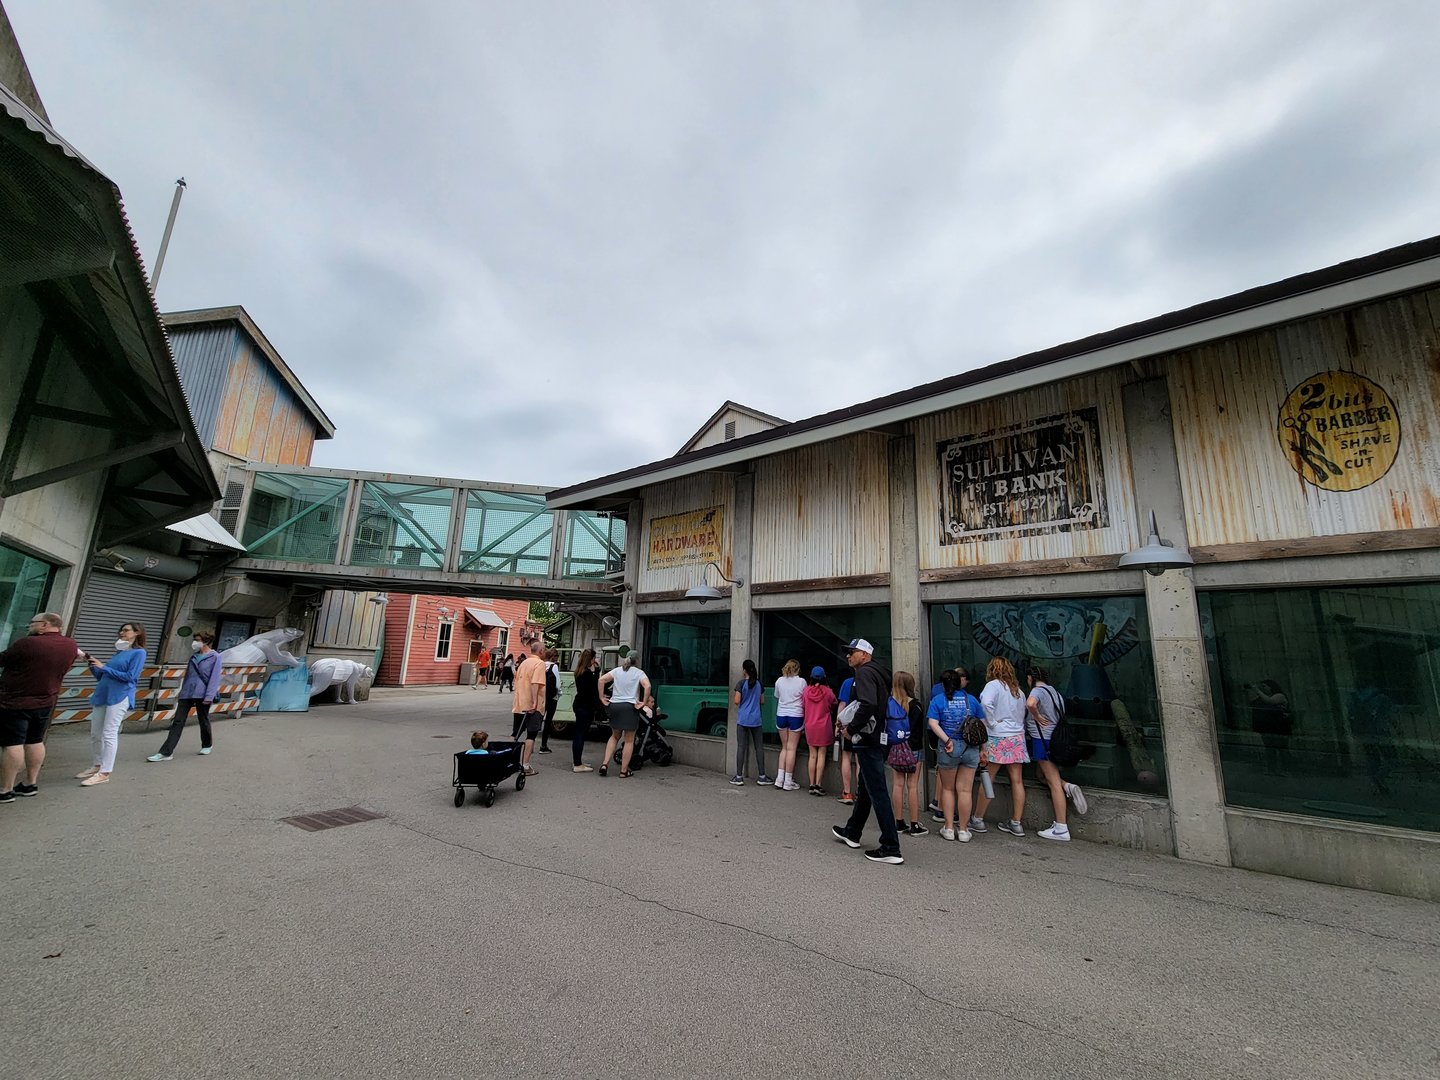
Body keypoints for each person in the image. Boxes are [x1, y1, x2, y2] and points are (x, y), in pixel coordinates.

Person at [830, 638, 903, 865]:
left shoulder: (863, 674)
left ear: (865, 654)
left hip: (868, 739)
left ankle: (890, 846)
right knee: (867, 785)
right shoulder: (881, 674)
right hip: (879, 737)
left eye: (852, 652)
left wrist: (851, 728)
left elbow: (868, 704)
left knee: (877, 790)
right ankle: (852, 831)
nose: (848, 656)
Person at [0, 612, 83, 803]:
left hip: (15, 701)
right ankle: (30, 783)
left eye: (33, 623)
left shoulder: (27, 643)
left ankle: (6, 789)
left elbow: (3, 659)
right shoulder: (70, 645)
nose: (30, 625)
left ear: (44, 625)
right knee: (35, 740)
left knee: (13, 744)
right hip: (46, 702)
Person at [77, 622, 147, 787]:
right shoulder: (120, 652)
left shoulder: (139, 653)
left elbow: (130, 676)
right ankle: (97, 765)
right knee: (96, 733)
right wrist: (93, 665)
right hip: (103, 694)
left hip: (119, 695)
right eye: (121, 630)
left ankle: (105, 772)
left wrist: (104, 667)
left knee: (109, 733)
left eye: (126, 630)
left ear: (137, 633)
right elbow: (103, 677)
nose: (121, 633)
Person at [1025, 664, 1088, 842]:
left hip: (1042, 739)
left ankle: (1061, 827)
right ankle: (1067, 786)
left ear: (1031, 678)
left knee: (1052, 781)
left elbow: (1030, 704)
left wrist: (1036, 716)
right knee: (1041, 775)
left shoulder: (1037, 691)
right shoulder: (1055, 692)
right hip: (1054, 738)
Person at [972, 656, 1028, 836]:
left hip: (997, 736)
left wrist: (993, 723)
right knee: (1017, 780)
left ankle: (978, 819)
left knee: (989, 777)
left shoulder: (993, 685)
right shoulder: (1018, 691)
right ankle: (1016, 822)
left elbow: (985, 703)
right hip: (1016, 736)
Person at [927, 668, 984, 841]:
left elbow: (933, 723)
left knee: (948, 789)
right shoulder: (971, 700)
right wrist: (984, 749)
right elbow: (982, 725)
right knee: (966, 790)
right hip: (970, 748)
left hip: (949, 749)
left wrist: (947, 740)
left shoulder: (938, 700)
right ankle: (965, 830)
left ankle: (949, 828)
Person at [148, 631, 223, 761]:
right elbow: (188, 675)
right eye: (194, 639)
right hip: (187, 692)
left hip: (202, 693)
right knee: (178, 721)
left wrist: (209, 696)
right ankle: (166, 752)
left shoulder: (215, 657)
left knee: (203, 719)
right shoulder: (194, 657)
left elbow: (214, 678)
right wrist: (182, 692)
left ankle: (207, 744)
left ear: (206, 641)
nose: (194, 642)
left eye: (197, 640)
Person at [886, 671, 927, 836]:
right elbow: (918, 731)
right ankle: (915, 824)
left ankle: (899, 821)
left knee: (898, 784)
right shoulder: (915, 705)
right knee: (912, 786)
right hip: (913, 749)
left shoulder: (889, 704)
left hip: (895, 747)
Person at [598, 652, 650, 778]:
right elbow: (647, 686)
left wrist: (601, 697)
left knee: (614, 736)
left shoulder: (617, 671)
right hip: (629, 707)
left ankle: (605, 764)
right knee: (629, 740)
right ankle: (624, 770)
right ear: (636, 660)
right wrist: (643, 702)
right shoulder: (639, 673)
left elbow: (601, 680)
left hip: (615, 706)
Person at [510, 641, 546, 775]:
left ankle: (508, 759)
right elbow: (536, 683)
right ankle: (525, 765)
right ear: (540, 651)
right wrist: (535, 702)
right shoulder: (539, 664)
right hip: (532, 705)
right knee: (531, 735)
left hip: (519, 702)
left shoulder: (523, 663)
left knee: (515, 733)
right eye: (544, 649)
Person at [729, 660, 768, 785]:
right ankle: (762, 776)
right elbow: (762, 701)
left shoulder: (741, 684)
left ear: (744, 670)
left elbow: (736, 701)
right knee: (759, 747)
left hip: (743, 719)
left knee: (741, 747)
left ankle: (739, 777)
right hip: (756, 719)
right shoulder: (759, 684)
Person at [1246, 679, 1293, 776]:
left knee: (1282, 748)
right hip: (1268, 727)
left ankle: (1286, 769)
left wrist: (1256, 689)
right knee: (1269, 749)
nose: (1263, 688)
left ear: (1271, 687)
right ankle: (1272, 769)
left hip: (1280, 727)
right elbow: (1252, 703)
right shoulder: (1262, 697)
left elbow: (1269, 701)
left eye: (1264, 686)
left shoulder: (1279, 696)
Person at [801, 666, 837, 795]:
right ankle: (818, 784)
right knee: (821, 755)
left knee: (812, 755)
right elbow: (834, 702)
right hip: (823, 726)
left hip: (810, 725)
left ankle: (811, 784)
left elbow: (803, 706)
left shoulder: (806, 691)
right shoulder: (828, 691)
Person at [772, 659, 806, 792]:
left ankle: (779, 779)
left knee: (784, 748)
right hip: (795, 715)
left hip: (781, 714)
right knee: (792, 749)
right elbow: (804, 697)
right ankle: (788, 780)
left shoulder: (779, 681)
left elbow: (777, 696)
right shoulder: (801, 681)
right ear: (798, 669)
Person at [570, 649, 601, 773]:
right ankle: (578, 764)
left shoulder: (579, 672)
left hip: (579, 704)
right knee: (580, 734)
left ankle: (577, 760)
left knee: (579, 733)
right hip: (585, 706)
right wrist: (597, 671)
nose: (595, 660)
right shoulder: (587, 674)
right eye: (594, 658)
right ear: (591, 659)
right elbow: (594, 688)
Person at [836, 675, 857, 803]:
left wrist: (837, 724)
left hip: (848, 724)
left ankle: (847, 793)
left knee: (846, 757)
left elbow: (842, 704)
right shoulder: (867, 681)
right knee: (860, 760)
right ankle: (860, 793)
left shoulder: (848, 682)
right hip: (863, 725)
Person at [538, 647, 561, 754]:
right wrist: (559, 694)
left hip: (541, 696)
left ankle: (531, 742)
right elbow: (557, 684)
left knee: (538, 719)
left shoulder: (541, 665)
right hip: (551, 697)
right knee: (548, 721)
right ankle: (543, 745)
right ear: (554, 657)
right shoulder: (554, 666)